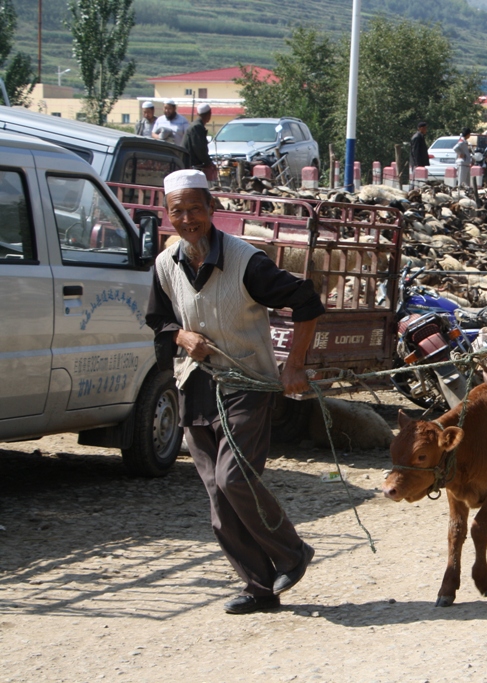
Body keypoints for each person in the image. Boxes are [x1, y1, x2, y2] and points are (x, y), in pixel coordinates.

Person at [145, 170, 323, 613]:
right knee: (217, 495)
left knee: (234, 478)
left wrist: (294, 364)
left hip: (245, 385)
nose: (187, 219)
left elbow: (307, 302)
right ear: (168, 217)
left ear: (211, 210)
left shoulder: (247, 262)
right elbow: (158, 321)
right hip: (194, 384)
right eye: (177, 212)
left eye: (195, 209)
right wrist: (182, 337)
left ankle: (291, 552)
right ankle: (259, 587)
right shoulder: (166, 266)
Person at [184, 103, 216, 182]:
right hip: (191, 165)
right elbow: (199, 149)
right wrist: (208, 163)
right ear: (209, 114)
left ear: (197, 114)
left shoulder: (196, 125)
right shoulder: (197, 127)